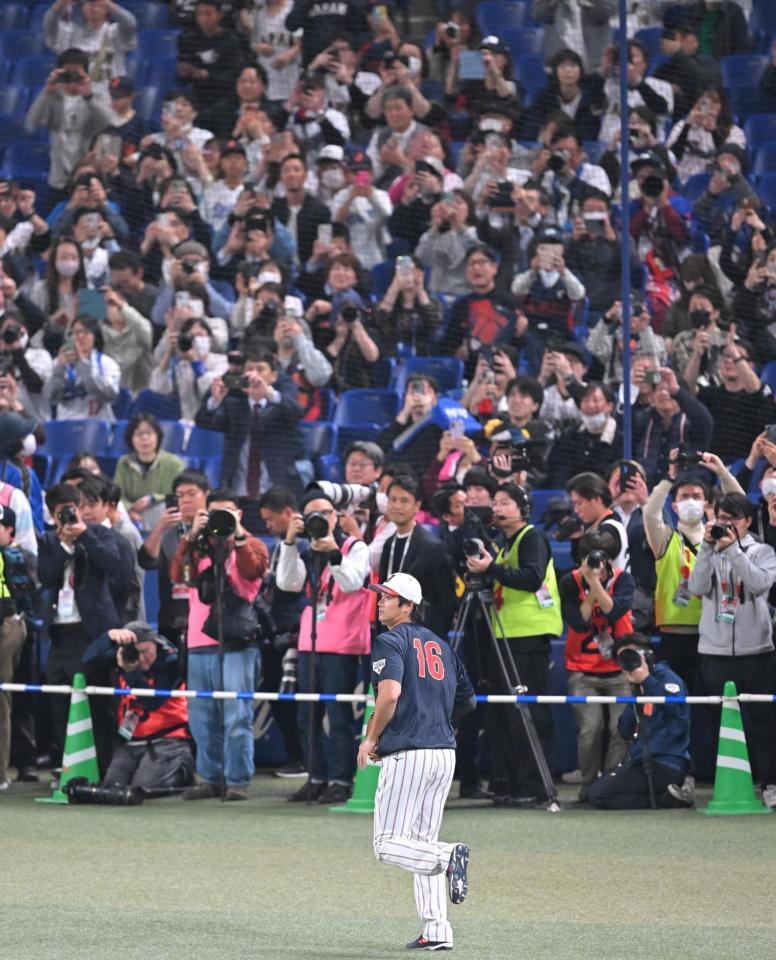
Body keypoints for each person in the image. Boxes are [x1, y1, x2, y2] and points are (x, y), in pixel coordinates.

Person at [359, 571, 475, 952]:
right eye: (380, 596)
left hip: (409, 753)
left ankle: (449, 854)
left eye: (388, 597)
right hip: (444, 753)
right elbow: (468, 700)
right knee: (420, 842)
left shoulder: (390, 640)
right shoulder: (442, 645)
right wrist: (437, 720)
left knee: (388, 843)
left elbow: (389, 695)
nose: (380, 602)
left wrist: (371, 737)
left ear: (408, 605)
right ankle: (437, 929)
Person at [465, 482, 562, 805]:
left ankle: (535, 787)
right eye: (495, 502)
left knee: (528, 713)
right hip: (508, 636)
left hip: (529, 637)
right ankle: (511, 782)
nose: (498, 508)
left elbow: (533, 578)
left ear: (523, 508)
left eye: (505, 502)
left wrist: (491, 569)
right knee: (507, 714)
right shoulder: (506, 545)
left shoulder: (532, 537)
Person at [276, 487, 372, 804]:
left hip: (342, 644)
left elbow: (352, 582)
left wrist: (333, 552)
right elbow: (287, 583)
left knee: (338, 716)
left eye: (326, 513)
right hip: (310, 643)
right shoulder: (304, 549)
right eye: (313, 514)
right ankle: (315, 777)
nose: (321, 519)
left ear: (337, 516)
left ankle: (341, 780)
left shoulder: (355, 547)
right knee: (307, 717)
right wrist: (289, 543)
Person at [171, 488, 268, 801]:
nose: (222, 518)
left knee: (236, 714)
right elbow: (179, 575)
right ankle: (211, 778)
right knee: (201, 717)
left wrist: (237, 536)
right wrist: (191, 536)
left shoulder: (253, 543)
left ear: (239, 514)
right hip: (200, 642)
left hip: (237, 643)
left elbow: (252, 570)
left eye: (228, 512)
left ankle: (237, 779)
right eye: (216, 513)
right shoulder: (200, 546)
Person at [687, 493, 776, 807]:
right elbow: (696, 588)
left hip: (758, 650)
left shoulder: (763, 551)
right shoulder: (707, 548)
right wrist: (707, 549)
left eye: (734, 519)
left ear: (748, 521)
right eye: (722, 519)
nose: (727, 525)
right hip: (714, 649)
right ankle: (727, 781)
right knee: (719, 721)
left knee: (765, 722)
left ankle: (770, 783)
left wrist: (733, 550)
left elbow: (758, 584)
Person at [38, 483, 133, 770]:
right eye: (60, 514)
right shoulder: (49, 541)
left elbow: (118, 569)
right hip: (59, 634)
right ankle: (68, 766)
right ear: (53, 517)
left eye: (72, 511)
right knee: (58, 700)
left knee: (96, 704)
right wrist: (66, 545)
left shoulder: (102, 536)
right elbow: (45, 575)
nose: (67, 518)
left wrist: (84, 535)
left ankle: (101, 767)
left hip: (91, 633)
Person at [560, 530, 634, 799]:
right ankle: (588, 787)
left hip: (620, 669)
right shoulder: (570, 582)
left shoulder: (624, 580)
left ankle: (610, 786)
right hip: (582, 668)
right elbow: (579, 622)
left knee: (619, 728)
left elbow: (614, 612)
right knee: (591, 729)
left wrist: (598, 584)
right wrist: (590, 585)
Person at [82, 622, 194, 791]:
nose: (141, 659)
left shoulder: (170, 662)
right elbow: (86, 660)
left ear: (155, 644)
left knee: (142, 788)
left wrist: (131, 673)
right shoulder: (124, 658)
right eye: (136, 653)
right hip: (132, 742)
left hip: (168, 740)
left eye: (146, 651)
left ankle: (183, 769)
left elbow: (152, 701)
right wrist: (108, 636)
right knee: (112, 787)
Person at [586, 633, 692, 809]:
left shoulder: (667, 678)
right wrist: (636, 693)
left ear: (647, 655)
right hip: (642, 762)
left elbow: (678, 712)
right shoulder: (637, 686)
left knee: (600, 795)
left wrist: (647, 680)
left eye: (632, 655)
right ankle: (667, 796)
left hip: (667, 762)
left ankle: (667, 799)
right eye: (623, 659)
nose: (628, 662)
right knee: (596, 791)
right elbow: (625, 731)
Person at [257, 486, 307, 778]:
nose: (267, 525)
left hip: (292, 634)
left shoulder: (301, 546)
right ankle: (295, 756)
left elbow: (295, 591)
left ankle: (300, 758)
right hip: (276, 634)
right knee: (277, 697)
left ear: (288, 513)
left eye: (270, 519)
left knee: (291, 699)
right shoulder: (279, 546)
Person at [138, 469, 210, 659]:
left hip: (206, 621)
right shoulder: (168, 534)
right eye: (180, 496)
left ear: (206, 495)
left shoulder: (215, 531)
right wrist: (159, 527)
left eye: (192, 494)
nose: (185, 500)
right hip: (170, 619)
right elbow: (146, 561)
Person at [379, 475, 457, 641]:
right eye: (392, 500)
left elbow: (447, 601)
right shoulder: (388, 545)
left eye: (404, 500)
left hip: (423, 640)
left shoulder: (432, 546)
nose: (397, 506)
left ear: (417, 506)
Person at [0, 506, 35, 791]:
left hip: (7, 625)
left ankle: (0, 772)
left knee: (1, 699)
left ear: (10, 531)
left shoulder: (18, 557)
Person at [43, 314, 121, 422]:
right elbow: (50, 397)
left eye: (86, 332)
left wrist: (83, 364)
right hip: (66, 424)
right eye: (76, 333)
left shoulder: (107, 363)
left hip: (98, 424)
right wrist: (58, 371)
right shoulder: (58, 363)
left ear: (95, 337)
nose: (80, 336)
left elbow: (109, 395)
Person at [113, 414, 185, 530]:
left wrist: (153, 498)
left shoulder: (174, 463)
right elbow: (116, 495)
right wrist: (130, 509)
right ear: (131, 439)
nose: (144, 438)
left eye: (150, 433)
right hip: (130, 516)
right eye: (138, 434)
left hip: (163, 515)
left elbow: (180, 495)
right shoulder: (123, 463)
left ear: (158, 436)